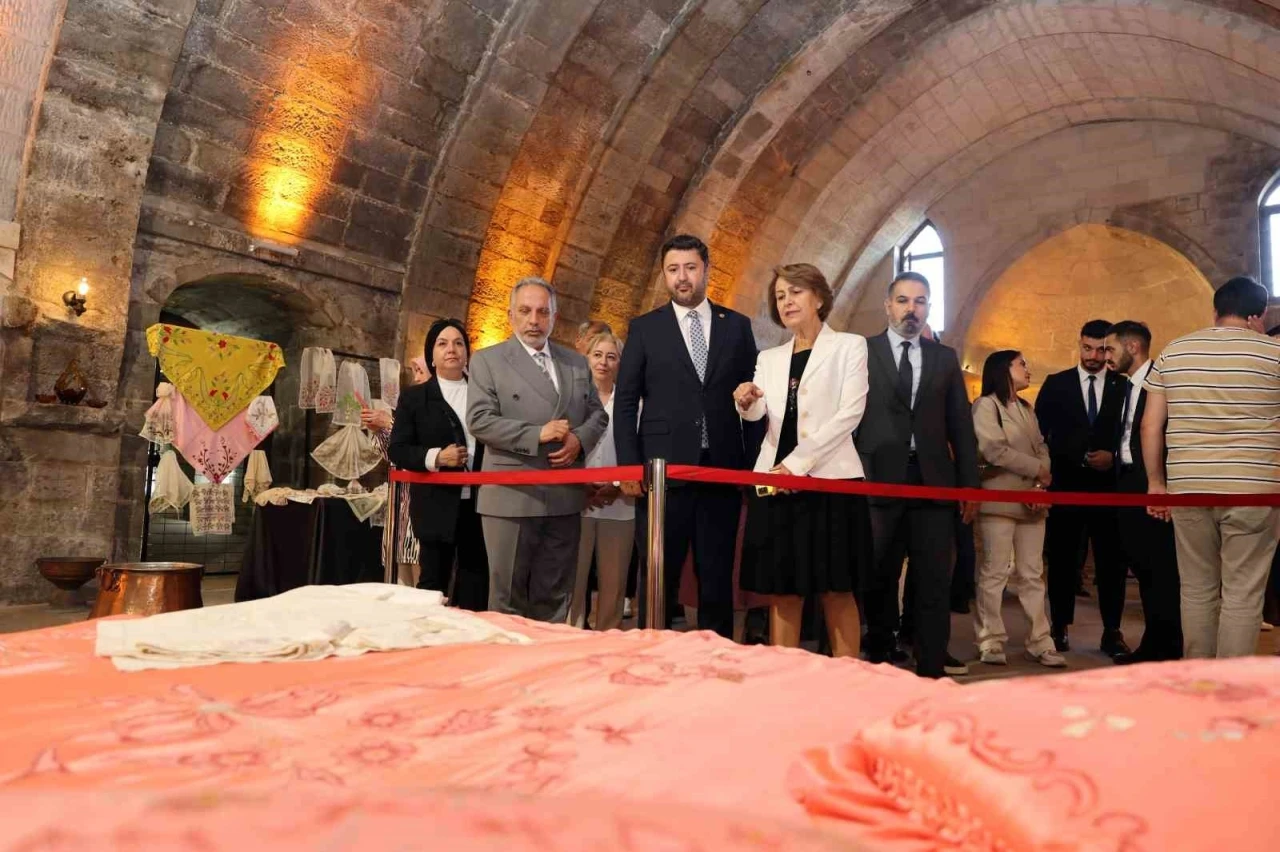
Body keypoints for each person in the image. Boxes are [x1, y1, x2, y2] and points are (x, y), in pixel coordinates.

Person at [614, 234, 759, 639]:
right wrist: (628, 466)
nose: (682, 277)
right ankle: (652, 654)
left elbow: (753, 400)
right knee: (659, 576)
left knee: (717, 576)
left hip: (721, 471)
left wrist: (751, 468)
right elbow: (625, 403)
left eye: (690, 268)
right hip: (662, 474)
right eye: (673, 269)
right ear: (664, 275)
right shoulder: (645, 328)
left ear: (706, 270)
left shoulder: (738, 327)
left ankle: (717, 658)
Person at [734, 263, 870, 656]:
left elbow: (850, 414)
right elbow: (760, 416)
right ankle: (786, 678)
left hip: (831, 480)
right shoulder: (769, 357)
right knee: (783, 588)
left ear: (820, 298)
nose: (787, 301)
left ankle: (849, 676)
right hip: (774, 481)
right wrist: (746, 402)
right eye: (780, 296)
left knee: (837, 588)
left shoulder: (850, 346)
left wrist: (797, 464)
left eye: (795, 292)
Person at [1142, 276, 1280, 658]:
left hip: (1189, 487)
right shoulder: (1274, 354)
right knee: (1243, 593)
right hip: (1255, 488)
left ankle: (1198, 676)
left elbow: (1150, 425)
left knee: (1196, 588)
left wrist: (1156, 483)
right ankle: (1231, 682)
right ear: (1259, 315)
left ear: (1215, 310)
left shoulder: (1175, 351)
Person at [856, 271, 979, 678]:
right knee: (879, 573)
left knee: (933, 578)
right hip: (878, 479)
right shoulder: (863, 351)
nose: (912, 309)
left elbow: (960, 425)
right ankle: (879, 653)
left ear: (928, 308)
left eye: (920, 301)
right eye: (904, 300)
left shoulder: (944, 358)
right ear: (888, 306)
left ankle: (930, 664)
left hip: (933, 482)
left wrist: (969, 486)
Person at [467, 277, 608, 622]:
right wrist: (537, 434)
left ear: (554, 317)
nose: (534, 320)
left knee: (555, 599)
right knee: (508, 601)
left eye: (543, 312)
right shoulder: (488, 361)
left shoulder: (576, 363)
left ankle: (551, 657)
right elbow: (479, 420)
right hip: (511, 496)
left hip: (564, 496)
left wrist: (579, 440)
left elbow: (598, 414)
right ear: (510, 315)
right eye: (525, 311)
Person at [1034, 319, 1129, 656]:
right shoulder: (1057, 383)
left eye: (1101, 349)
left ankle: (1112, 631)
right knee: (1062, 560)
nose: (1093, 356)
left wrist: (1113, 457)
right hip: (1066, 485)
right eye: (1087, 348)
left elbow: (1131, 432)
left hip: (1110, 489)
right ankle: (1059, 627)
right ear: (1079, 344)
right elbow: (1039, 435)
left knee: (1112, 562)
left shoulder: (1123, 385)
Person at [971, 350, 1064, 667]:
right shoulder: (986, 406)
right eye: (1021, 364)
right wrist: (1037, 469)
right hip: (998, 500)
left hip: (1031, 501)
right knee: (994, 572)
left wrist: (1039, 483)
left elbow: (1042, 446)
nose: (1027, 368)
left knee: (1032, 574)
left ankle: (1041, 641)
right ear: (1003, 369)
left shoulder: (1026, 408)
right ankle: (990, 640)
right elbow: (994, 450)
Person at [386, 324, 489, 610]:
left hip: (481, 503)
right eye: (442, 343)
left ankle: (471, 636)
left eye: (458, 343)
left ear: (467, 352)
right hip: (435, 505)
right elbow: (398, 449)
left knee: (477, 582)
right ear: (431, 354)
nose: (451, 349)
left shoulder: (486, 395)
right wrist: (437, 458)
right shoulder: (415, 398)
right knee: (433, 584)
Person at [1104, 321, 1182, 663]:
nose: (1106, 356)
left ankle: (1166, 649)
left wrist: (1158, 483)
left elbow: (1162, 434)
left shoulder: (1159, 382)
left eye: (1110, 349)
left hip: (1152, 484)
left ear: (1132, 347)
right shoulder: (1124, 386)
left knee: (1160, 570)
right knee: (1142, 567)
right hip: (1126, 483)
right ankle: (1154, 646)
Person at [568, 330, 635, 631]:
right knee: (572, 580)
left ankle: (609, 638)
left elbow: (637, 451)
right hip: (577, 501)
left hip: (620, 504)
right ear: (587, 358)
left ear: (620, 362)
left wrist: (617, 486)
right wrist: (581, 486)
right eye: (597, 355)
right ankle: (570, 637)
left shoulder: (632, 404)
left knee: (614, 583)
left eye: (611, 357)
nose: (603, 363)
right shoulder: (573, 400)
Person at [367, 356, 429, 587]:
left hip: (422, 503)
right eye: (414, 372)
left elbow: (421, 449)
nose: (416, 378)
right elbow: (395, 455)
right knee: (399, 579)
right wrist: (379, 430)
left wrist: (390, 423)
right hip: (400, 505)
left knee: (422, 577)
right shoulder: (410, 407)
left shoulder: (436, 411)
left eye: (420, 372)